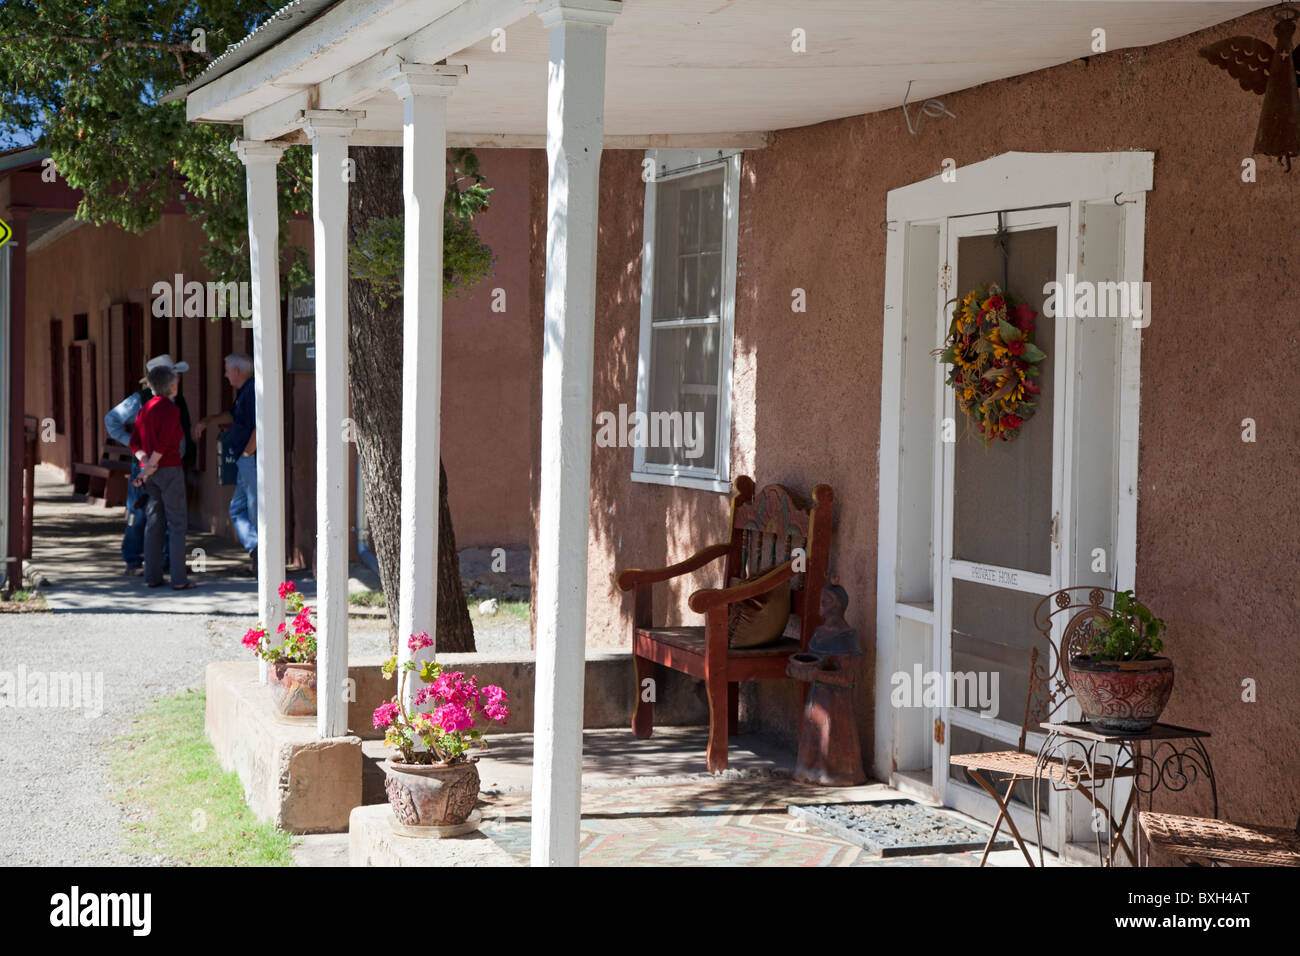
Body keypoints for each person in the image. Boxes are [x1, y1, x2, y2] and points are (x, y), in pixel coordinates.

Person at [104, 354, 194, 575]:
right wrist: (144, 455)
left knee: (166, 514)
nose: (177, 379)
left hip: (170, 465)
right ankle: (133, 560)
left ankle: (165, 562)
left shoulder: (176, 400)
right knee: (142, 513)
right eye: (173, 375)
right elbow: (113, 420)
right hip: (150, 466)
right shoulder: (141, 399)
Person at [130, 365, 194, 590]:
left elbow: (134, 442)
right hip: (168, 468)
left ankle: (152, 576)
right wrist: (151, 465)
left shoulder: (145, 407)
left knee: (154, 522)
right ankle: (178, 579)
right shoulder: (171, 409)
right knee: (177, 523)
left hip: (151, 471)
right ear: (172, 385)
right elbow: (165, 442)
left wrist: (145, 464)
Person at [195, 353, 257, 574]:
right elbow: (234, 416)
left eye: (227, 370)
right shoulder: (245, 391)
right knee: (238, 509)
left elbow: (261, 424)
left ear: (238, 371)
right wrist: (209, 421)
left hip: (251, 459)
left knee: (253, 508)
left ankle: (262, 558)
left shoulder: (253, 390)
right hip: (244, 459)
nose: (225, 375)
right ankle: (255, 548)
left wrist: (249, 453)